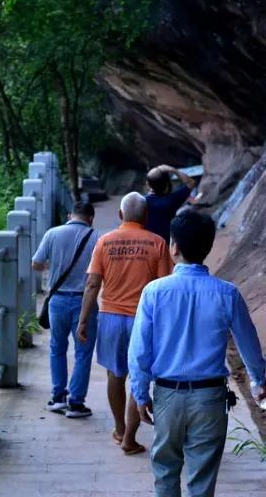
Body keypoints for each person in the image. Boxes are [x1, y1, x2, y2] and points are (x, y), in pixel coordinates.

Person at [128, 208, 266, 497]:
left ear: (174, 247)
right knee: (202, 479)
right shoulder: (227, 293)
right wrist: (258, 381)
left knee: (166, 471)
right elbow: (248, 342)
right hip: (210, 399)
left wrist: (140, 393)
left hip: (167, 396)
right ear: (207, 248)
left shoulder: (154, 292)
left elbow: (139, 350)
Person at [77, 192, 172, 455]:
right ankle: (130, 437)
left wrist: (83, 320)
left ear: (120, 215)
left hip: (110, 317)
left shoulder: (104, 242)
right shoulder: (158, 243)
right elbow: (165, 288)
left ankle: (119, 429)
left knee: (114, 376)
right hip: (145, 320)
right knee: (139, 377)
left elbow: (92, 283)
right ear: (147, 216)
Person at [31, 201, 99, 418]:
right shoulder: (97, 238)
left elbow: (36, 264)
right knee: (83, 353)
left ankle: (58, 397)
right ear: (91, 218)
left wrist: (54, 267)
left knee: (57, 348)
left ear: (70, 215)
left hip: (57, 300)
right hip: (84, 302)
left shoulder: (53, 233)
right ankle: (76, 403)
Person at [145, 164, 196, 242]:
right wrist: (173, 170)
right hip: (165, 243)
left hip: (147, 243)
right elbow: (191, 182)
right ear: (167, 183)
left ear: (148, 184)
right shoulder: (172, 200)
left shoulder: (142, 201)